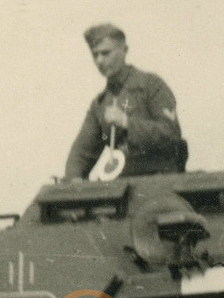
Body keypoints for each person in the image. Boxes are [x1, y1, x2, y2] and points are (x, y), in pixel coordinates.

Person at [64, 23, 187, 180]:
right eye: (95, 55)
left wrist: (127, 123)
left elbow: (171, 132)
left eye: (105, 53)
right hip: (122, 185)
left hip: (160, 180)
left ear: (124, 50)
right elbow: (81, 153)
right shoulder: (100, 104)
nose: (99, 61)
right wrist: (74, 180)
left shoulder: (151, 85)